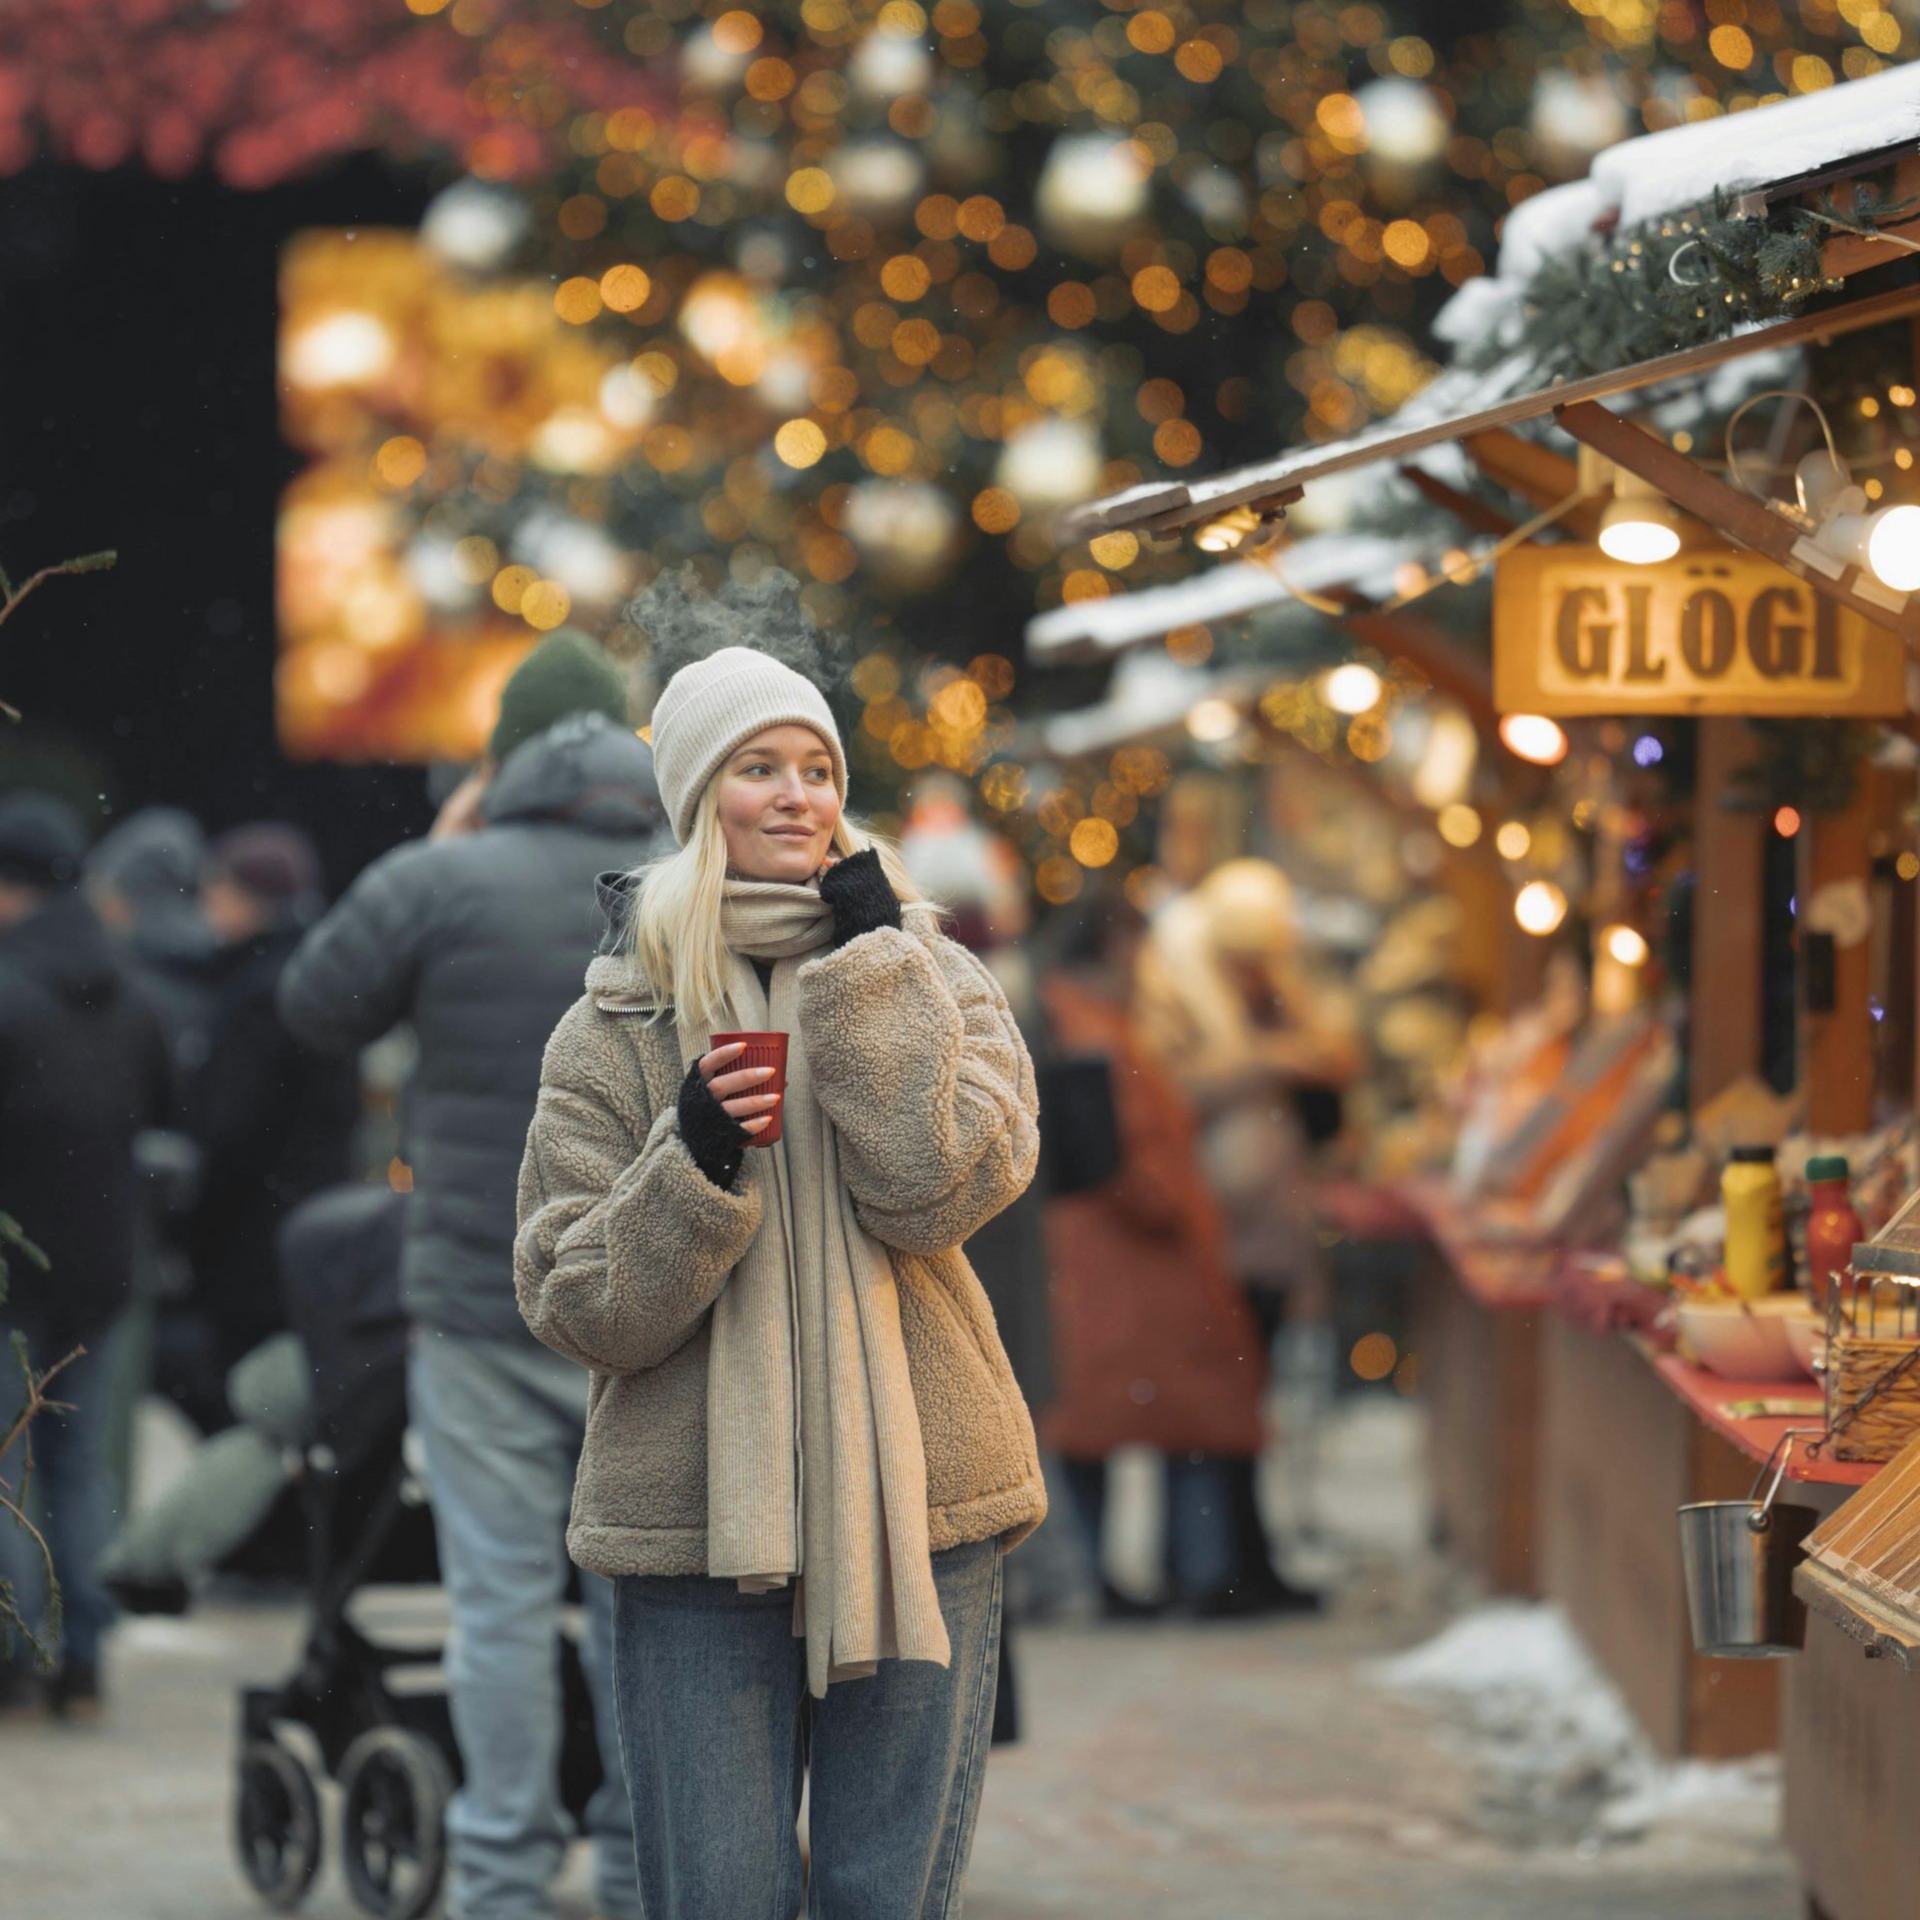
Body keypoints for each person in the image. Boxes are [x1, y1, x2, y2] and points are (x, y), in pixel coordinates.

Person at [514, 630, 1047, 1920]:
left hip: (922, 1502)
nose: (799, 794)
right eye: (760, 767)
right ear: (701, 802)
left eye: (817, 766)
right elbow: (575, 1300)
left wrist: (873, 979)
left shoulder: (931, 973)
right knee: (719, 1898)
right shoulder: (614, 1023)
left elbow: (943, 1191)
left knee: (885, 1897)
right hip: (698, 1528)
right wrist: (688, 1158)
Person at [278, 630, 662, 1920]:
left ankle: (500, 1874)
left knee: (495, 1601)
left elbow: (314, 1007)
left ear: (499, 761)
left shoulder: (443, 879)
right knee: (638, 1607)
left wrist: (446, 849)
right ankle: (634, 1864)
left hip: (481, 1298)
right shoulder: (681, 876)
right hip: (648, 1301)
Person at [1133, 858, 1360, 1614]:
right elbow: (1171, 1089)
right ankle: (1216, 1567)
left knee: (1244, 1397)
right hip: (1209, 1224)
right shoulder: (1179, 986)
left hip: (1262, 1222)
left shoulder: (1265, 991)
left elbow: (1329, 1055)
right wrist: (1270, 1062)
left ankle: (1239, 1562)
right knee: (1213, 1401)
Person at [1037, 894, 1270, 1618]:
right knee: (1179, 1422)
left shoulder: (1073, 1020)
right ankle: (1182, 1575)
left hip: (1106, 1266)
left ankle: (1104, 1577)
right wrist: (1177, 1204)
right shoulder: (1094, 1033)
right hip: (1133, 1265)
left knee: (1101, 1427)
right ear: (1113, 947)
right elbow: (1118, 1157)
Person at [0, 793, 170, 1721]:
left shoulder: (5, 989)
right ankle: (86, 1660)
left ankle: (19, 1649)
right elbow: (159, 1116)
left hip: (10, 1271)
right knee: (78, 1469)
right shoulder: (130, 993)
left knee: (4, 1466)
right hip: (102, 1268)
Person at [165, 822, 358, 1435]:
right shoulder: (327, 975)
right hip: (315, 1220)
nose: (207, 907)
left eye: (213, 890)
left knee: (243, 1404)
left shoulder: (254, 990)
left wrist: (194, 1220)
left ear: (242, 895)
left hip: (251, 1237)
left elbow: (232, 1130)